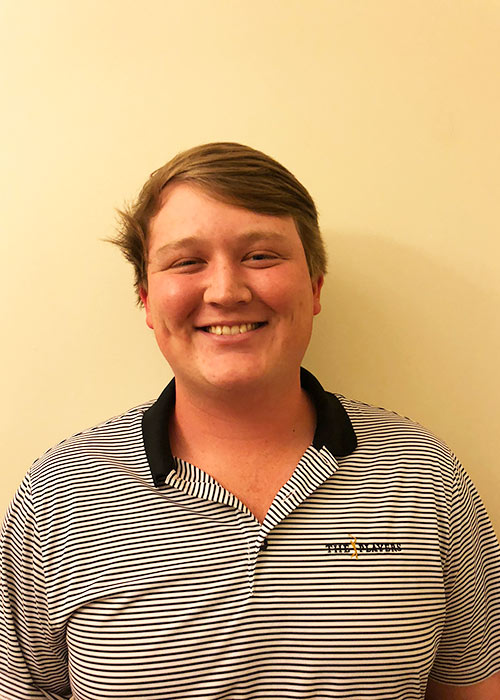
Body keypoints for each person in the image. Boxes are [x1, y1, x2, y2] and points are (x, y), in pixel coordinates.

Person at [1, 143, 499, 700]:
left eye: (260, 256)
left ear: (314, 286)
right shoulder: (58, 495)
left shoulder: (426, 474)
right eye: (187, 261)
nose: (227, 291)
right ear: (146, 298)